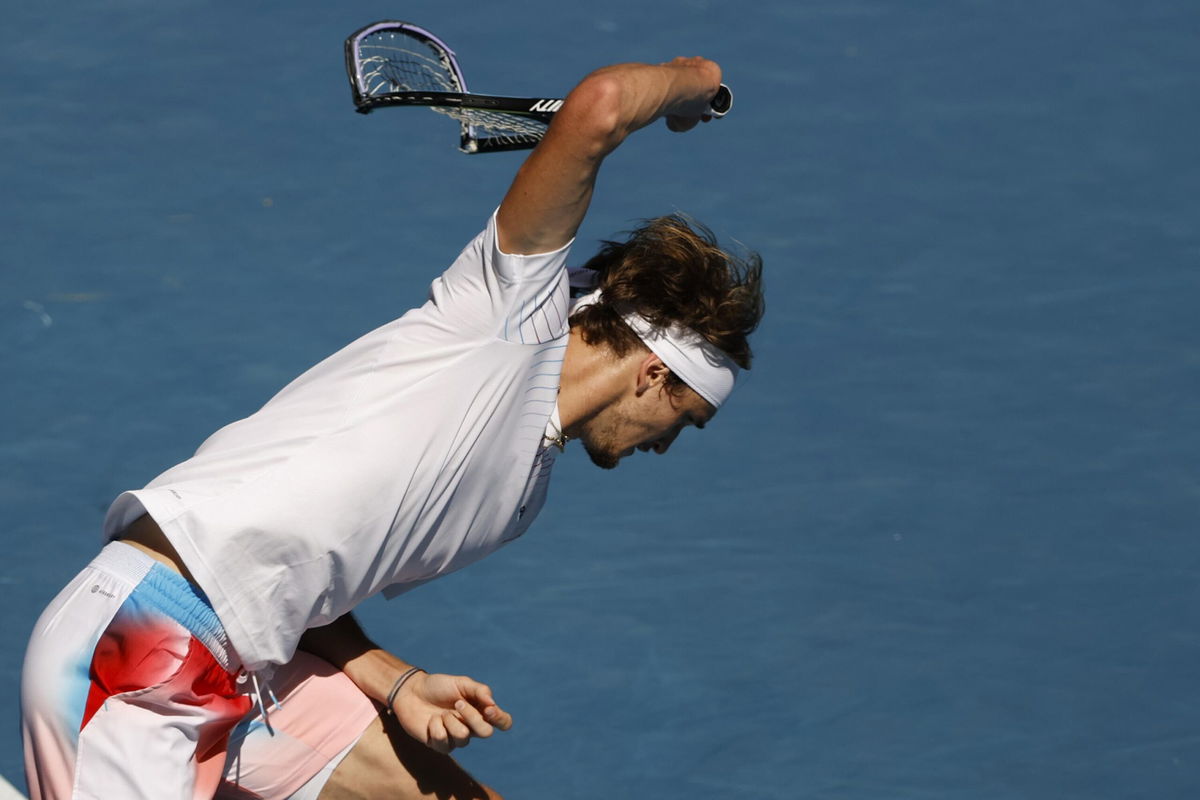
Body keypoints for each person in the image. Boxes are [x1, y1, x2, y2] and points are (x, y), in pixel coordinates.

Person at [21, 55, 764, 800]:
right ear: (655, 374)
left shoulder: (519, 500)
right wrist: (692, 84)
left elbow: (301, 580)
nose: (668, 444)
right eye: (685, 421)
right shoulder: (507, 318)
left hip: (249, 661)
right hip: (145, 646)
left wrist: (396, 681)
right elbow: (600, 105)